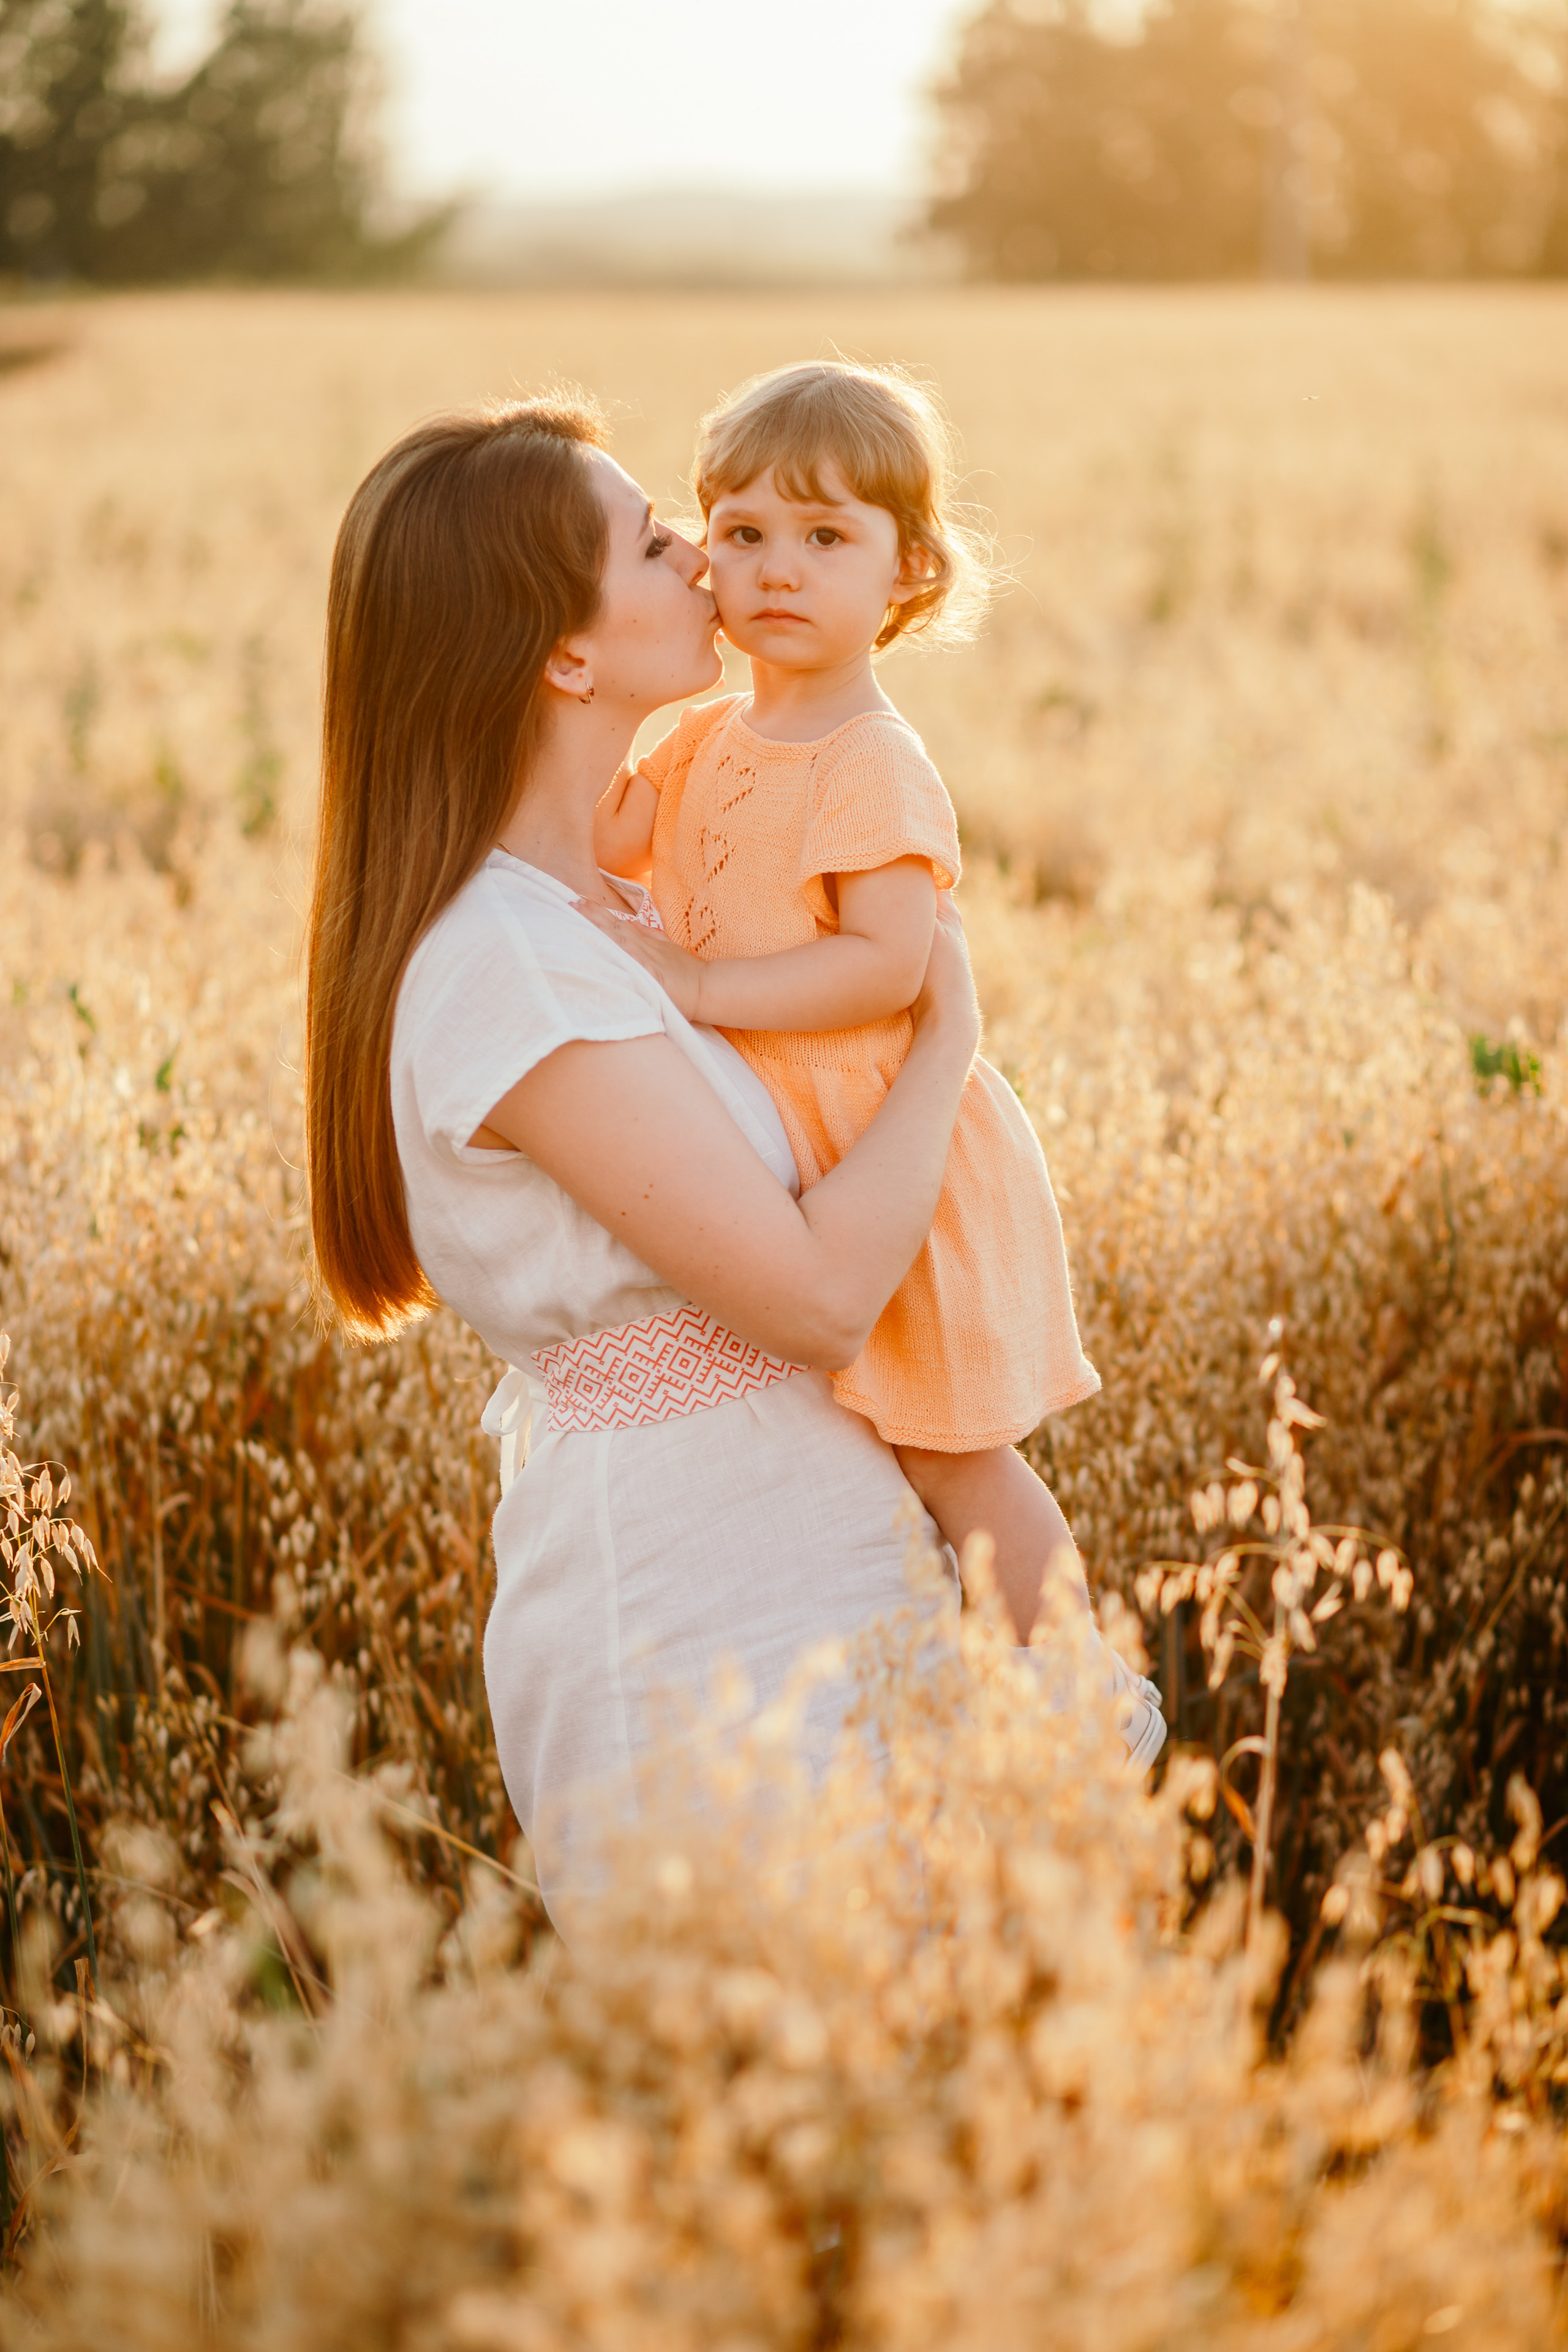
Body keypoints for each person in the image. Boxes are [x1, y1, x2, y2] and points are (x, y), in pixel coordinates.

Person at [304, 394, 1160, 1924]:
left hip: (826, 1550)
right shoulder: (509, 963)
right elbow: (823, 1301)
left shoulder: (606, 906)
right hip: (691, 1606)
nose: (707, 555)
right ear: (565, 653)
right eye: (654, 538)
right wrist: (949, 1040)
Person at [587, 361, 1145, 1711]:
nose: (776, 570)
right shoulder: (708, 732)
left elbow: (890, 966)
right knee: (833, 1451)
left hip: (892, 1152)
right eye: (743, 534)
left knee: (952, 1455)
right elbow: (597, 840)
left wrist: (694, 985)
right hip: (782, 1139)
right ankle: (903, 1700)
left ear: (910, 574)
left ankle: (1074, 1698)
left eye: (826, 539)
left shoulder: (867, 759)